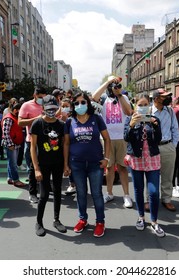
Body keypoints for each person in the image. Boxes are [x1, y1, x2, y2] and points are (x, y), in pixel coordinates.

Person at [63, 92, 111, 238]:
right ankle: (82, 219)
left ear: (88, 104)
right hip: (76, 164)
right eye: (76, 103)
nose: (80, 105)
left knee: (96, 194)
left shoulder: (96, 119)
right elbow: (66, 143)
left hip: (95, 164)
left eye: (83, 102)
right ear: (73, 106)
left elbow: (107, 139)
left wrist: (106, 159)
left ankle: (100, 222)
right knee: (81, 194)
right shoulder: (69, 122)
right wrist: (66, 164)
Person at [124, 93, 165, 237]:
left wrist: (156, 126)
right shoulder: (130, 119)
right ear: (135, 105)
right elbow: (126, 138)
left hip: (152, 159)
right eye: (139, 105)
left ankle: (154, 221)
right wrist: (131, 125)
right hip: (137, 159)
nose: (142, 108)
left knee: (154, 192)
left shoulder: (155, 119)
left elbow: (159, 139)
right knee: (138, 189)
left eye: (145, 105)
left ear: (149, 106)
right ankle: (141, 217)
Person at [92, 76, 133, 208]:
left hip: (121, 138)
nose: (115, 87)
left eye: (117, 85)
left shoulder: (124, 97)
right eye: (113, 85)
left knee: (122, 167)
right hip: (106, 138)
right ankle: (109, 193)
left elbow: (129, 112)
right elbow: (93, 96)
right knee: (109, 168)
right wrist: (107, 82)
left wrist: (120, 95)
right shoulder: (103, 98)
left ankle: (126, 195)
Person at [31, 95, 66, 236]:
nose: (51, 110)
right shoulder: (37, 124)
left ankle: (56, 220)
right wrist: (36, 169)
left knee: (57, 191)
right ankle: (39, 222)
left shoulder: (61, 125)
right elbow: (33, 147)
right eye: (48, 108)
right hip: (43, 165)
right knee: (44, 194)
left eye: (54, 108)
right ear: (43, 108)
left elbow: (64, 145)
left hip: (57, 163)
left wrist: (66, 165)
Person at [150, 89, 179, 211]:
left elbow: (175, 129)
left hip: (168, 146)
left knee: (168, 176)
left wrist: (173, 145)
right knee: (151, 175)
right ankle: (150, 199)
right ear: (156, 98)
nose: (168, 99)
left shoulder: (170, 111)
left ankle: (167, 199)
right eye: (164, 97)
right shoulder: (148, 111)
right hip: (152, 147)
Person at [18, 87, 48, 203]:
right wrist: (37, 119)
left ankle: (45, 190)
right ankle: (33, 193)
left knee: (45, 167)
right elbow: (20, 122)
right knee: (32, 168)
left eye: (44, 97)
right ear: (34, 95)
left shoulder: (48, 104)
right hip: (31, 141)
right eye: (40, 97)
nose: (42, 100)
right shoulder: (26, 105)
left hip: (46, 140)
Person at [1, 103, 26, 187]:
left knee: (11, 162)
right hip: (11, 144)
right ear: (16, 110)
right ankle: (16, 180)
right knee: (13, 163)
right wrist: (10, 144)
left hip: (15, 143)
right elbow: (6, 133)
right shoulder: (9, 118)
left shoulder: (15, 117)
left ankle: (10, 178)